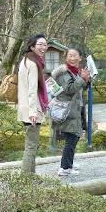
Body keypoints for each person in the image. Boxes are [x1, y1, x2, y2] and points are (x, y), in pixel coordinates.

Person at [50, 46, 90, 176]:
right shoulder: (63, 72)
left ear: (80, 58)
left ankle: (69, 163)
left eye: (75, 55)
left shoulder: (75, 72)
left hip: (75, 110)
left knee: (74, 137)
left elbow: (78, 89)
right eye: (69, 56)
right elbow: (69, 88)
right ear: (66, 57)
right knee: (72, 137)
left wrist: (86, 80)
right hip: (68, 111)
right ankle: (64, 168)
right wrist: (82, 79)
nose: (72, 58)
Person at [18, 33, 49, 173]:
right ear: (32, 47)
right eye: (40, 44)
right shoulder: (33, 64)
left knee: (32, 145)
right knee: (31, 146)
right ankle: (25, 179)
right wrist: (33, 113)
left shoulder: (25, 61)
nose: (43, 47)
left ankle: (31, 177)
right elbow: (31, 90)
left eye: (45, 44)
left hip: (25, 109)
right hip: (31, 111)